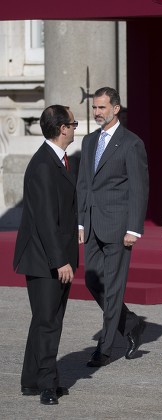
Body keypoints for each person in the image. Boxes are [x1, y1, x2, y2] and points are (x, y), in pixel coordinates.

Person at [77, 87, 149, 367]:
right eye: (94, 108)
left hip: (119, 227)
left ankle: (105, 348)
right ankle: (130, 323)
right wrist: (81, 220)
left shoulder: (132, 143)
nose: (97, 113)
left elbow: (139, 189)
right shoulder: (88, 141)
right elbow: (84, 184)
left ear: (116, 109)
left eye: (102, 108)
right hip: (93, 224)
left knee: (114, 288)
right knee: (94, 282)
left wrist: (134, 228)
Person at [13, 105, 79, 405]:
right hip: (44, 259)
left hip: (51, 255)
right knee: (48, 322)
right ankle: (48, 385)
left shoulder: (58, 161)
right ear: (62, 128)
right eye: (74, 123)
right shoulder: (43, 165)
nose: (76, 128)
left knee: (44, 320)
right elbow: (44, 219)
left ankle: (31, 380)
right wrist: (60, 260)